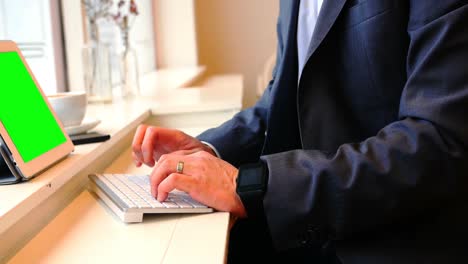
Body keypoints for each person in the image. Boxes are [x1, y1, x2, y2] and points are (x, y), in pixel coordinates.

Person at [132, 0, 468, 263]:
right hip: (310, 229)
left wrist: (253, 187)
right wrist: (209, 149)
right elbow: (281, 99)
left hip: (395, 241)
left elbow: (439, 140)